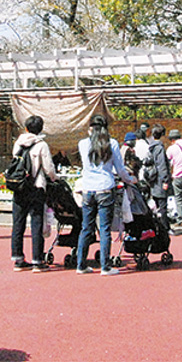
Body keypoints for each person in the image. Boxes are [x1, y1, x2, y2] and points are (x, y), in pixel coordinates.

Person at [75, 114, 136, 275]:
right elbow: (120, 168)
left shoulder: (82, 144)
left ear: (90, 128)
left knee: (86, 228)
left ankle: (80, 264)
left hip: (88, 189)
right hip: (105, 188)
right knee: (104, 228)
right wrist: (129, 180)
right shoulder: (112, 143)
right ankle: (105, 266)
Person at [10, 115, 56, 272]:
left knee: (18, 223)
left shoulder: (18, 143)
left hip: (19, 187)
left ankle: (18, 259)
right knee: (36, 223)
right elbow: (49, 168)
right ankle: (37, 260)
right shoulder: (42, 145)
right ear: (41, 129)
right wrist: (54, 178)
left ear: (26, 128)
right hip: (36, 187)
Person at [142, 124, 172, 231]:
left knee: (155, 205)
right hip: (159, 180)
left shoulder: (150, 147)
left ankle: (158, 226)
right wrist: (165, 180)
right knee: (162, 205)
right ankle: (164, 228)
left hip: (152, 179)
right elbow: (162, 165)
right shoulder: (159, 148)